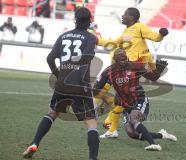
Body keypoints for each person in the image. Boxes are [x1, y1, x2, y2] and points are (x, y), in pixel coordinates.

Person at [22, 7, 99, 160]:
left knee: (52, 113)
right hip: (80, 85)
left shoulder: (63, 36)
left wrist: (59, 75)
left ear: (75, 19)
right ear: (90, 20)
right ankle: (92, 158)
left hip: (62, 84)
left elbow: (50, 59)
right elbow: (88, 58)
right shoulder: (91, 38)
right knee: (91, 122)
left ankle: (34, 143)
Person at [96, 7, 169, 138]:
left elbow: (155, 37)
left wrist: (161, 34)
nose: (122, 16)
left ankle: (111, 126)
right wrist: (97, 41)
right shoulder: (126, 31)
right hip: (126, 67)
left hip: (137, 66)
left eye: (125, 15)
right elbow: (113, 43)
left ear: (132, 17)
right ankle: (111, 125)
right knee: (115, 94)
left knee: (121, 96)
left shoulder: (140, 27)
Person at [93, 48, 177, 151]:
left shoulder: (135, 66)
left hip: (139, 99)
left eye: (125, 57)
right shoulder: (108, 72)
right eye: (121, 59)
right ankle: (162, 135)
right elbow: (96, 90)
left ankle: (154, 144)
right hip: (126, 105)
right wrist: (104, 97)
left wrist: (158, 71)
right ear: (115, 59)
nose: (124, 60)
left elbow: (153, 77)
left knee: (134, 119)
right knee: (132, 133)